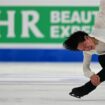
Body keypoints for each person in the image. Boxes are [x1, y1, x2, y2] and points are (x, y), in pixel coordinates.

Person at [63, 0, 105, 98]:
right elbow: (85, 68)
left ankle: (86, 88)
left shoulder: (100, 25)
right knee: (103, 59)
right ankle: (87, 88)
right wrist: (91, 75)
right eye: (83, 49)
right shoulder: (87, 51)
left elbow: (103, 7)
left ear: (86, 37)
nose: (87, 49)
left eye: (85, 46)